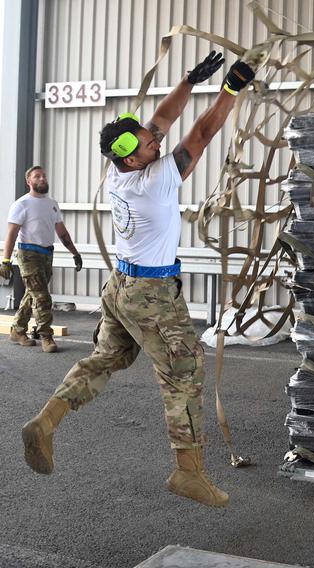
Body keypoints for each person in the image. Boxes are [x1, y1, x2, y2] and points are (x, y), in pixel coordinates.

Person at [21, 51, 255, 508]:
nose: (157, 143)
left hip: (120, 288)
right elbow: (203, 134)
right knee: (184, 373)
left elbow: (160, 119)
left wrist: (189, 81)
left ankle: (46, 422)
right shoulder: (155, 181)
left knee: (107, 357)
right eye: (150, 145)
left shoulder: (119, 167)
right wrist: (230, 89)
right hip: (152, 295)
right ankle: (189, 472)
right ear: (133, 160)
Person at [1, 166, 82, 353]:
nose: (42, 178)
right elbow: (12, 234)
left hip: (47, 254)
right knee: (42, 297)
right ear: (28, 182)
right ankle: (46, 335)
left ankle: (18, 330)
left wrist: (75, 253)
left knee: (33, 294)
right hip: (28, 255)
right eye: (37, 176)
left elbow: (61, 232)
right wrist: (5, 261)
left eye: (43, 176)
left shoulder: (52, 204)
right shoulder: (21, 204)